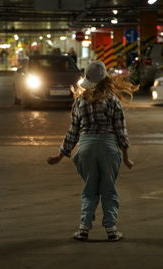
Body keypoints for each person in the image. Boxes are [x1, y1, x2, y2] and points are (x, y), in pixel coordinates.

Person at [47, 61, 138, 242]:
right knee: (108, 190)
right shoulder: (113, 101)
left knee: (90, 189)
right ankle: (111, 229)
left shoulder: (80, 101)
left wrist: (60, 155)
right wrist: (126, 159)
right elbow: (121, 133)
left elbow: (72, 132)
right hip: (108, 149)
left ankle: (83, 229)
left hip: (85, 149)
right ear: (105, 79)